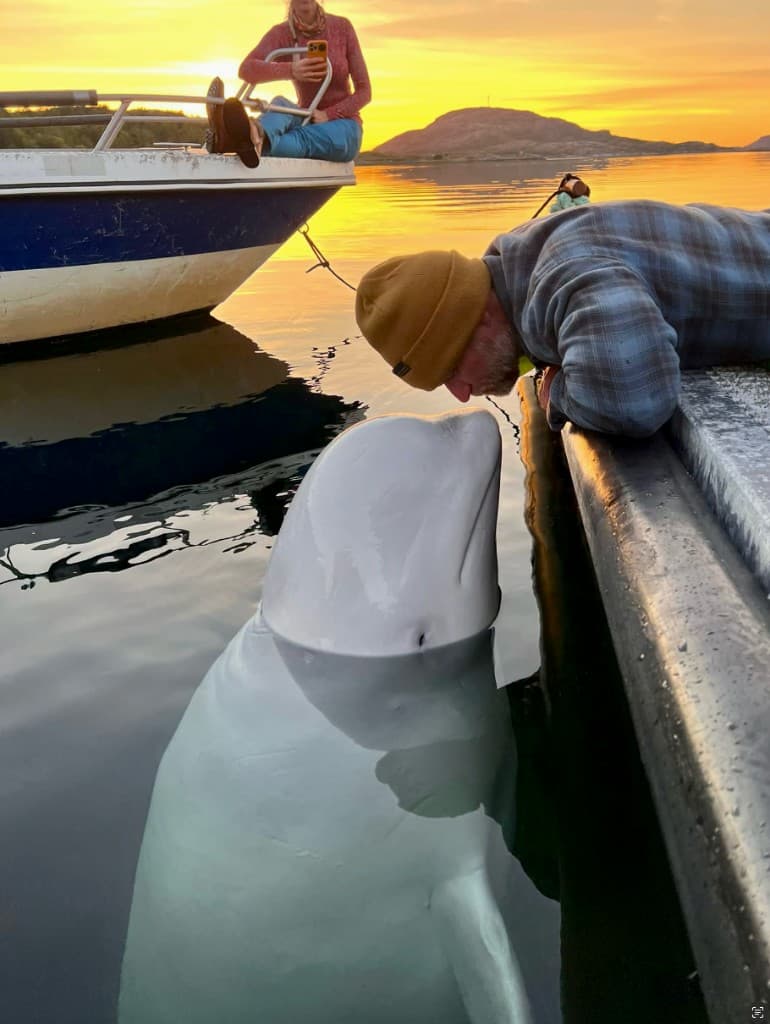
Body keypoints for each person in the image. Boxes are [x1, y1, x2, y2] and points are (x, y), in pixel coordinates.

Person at [354, 200, 770, 438]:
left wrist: (558, 394)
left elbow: (635, 402)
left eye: (450, 370)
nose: (461, 394)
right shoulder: (522, 253)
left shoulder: (561, 277)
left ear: (477, 319)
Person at [208, 0, 371, 167]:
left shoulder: (342, 27)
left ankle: (233, 141)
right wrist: (291, 70)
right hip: (306, 116)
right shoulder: (281, 33)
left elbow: (365, 91)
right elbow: (246, 69)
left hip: (344, 126)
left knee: (302, 137)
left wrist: (328, 114)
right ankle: (255, 134)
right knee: (279, 104)